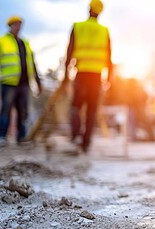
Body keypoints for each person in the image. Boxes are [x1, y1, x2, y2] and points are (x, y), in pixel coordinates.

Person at [63, 0, 112, 153]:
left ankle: (76, 135)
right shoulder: (104, 30)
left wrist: (66, 72)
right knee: (92, 110)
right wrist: (110, 77)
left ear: (89, 9)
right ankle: (86, 144)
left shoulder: (78, 26)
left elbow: (70, 50)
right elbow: (109, 55)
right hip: (97, 76)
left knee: (76, 106)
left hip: (82, 73)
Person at [0, 16, 42, 146]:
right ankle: (1, 136)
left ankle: (21, 136)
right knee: (6, 110)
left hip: (24, 83)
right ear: (10, 26)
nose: (18, 27)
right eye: (15, 24)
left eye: (20, 24)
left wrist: (37, 81)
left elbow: (32, 64)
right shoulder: (1, 41)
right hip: (9, 82)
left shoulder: (25, 43)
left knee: (23, 110)